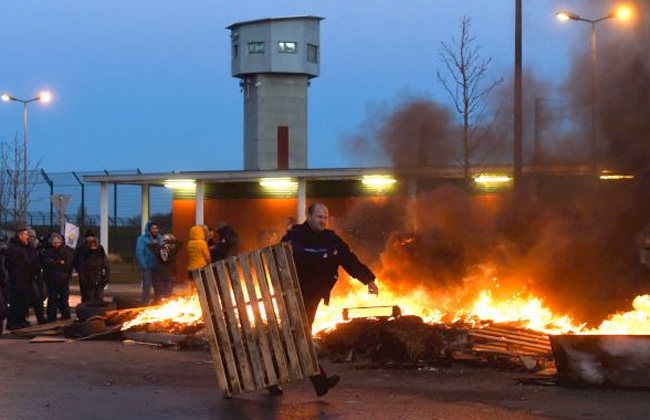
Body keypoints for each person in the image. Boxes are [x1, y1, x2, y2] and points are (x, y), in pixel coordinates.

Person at [282, 202, 379, 397]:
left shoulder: (330, 238)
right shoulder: (296, 235)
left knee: (296, 339)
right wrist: (324, 256)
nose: (323, 221)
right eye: (319, 217)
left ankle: (275, 378)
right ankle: (319, 381)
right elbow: (293, 257)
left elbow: (348, 259)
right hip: (294, 293)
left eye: (326, 217)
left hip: (314, 296)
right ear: (309, 217)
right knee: (299, 338)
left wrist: (368, 279)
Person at [5, 227, 43, 329]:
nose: (27, 237)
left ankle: (21, 320)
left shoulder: (27, 247)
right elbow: (12, 263)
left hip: (27, 279)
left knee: (24, 301)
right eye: (26, 235)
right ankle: (13, 322)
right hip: (18, 279)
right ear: (20, 235)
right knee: (16, 301)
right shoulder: (14, 248)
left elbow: (33, 259)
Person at [42, 233, 73, 322]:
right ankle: (51, 318)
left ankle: (66, 316)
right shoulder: (48, 251)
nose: (56, 244)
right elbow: (47, 263)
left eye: (58, 242)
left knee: (64, 300)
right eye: (55, 242)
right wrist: (59, 262)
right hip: (52, 280)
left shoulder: (65, 251)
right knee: (52, 300)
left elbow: (68, 264)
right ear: (51, 243)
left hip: (63, 280)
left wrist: (56, 263)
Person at [75, 230, 110, 303]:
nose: (90, 239)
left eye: (92, 237)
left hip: (99, 279)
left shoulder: (100, 249)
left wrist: (106, 278)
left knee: (99, 300)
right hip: (87, 280)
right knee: (88, 300)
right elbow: (80, 266)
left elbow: (106, 265)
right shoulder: (82, 249)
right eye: (89, 237)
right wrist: (83, 279)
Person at [148, 233, 181, 303]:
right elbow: (150, 246)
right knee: (164, 294)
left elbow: (178, 243)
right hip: (164, 275)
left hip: (166, 274)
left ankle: (164, 305)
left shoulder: (170, 250)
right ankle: (163, 306)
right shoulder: (167, 250)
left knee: (166, 294)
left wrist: (162, 243)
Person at [136, 221, 161, 305]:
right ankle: (144, 304)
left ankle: (157, 303)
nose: (155, 230)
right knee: (146, 287)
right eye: (153, 228)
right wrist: (144, 265)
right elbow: (140, 253)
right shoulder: (142, 239)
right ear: (149, 229)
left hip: (157, 267)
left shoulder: (160, 239)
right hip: (147, 268)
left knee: (158, 287)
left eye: (156, 228)